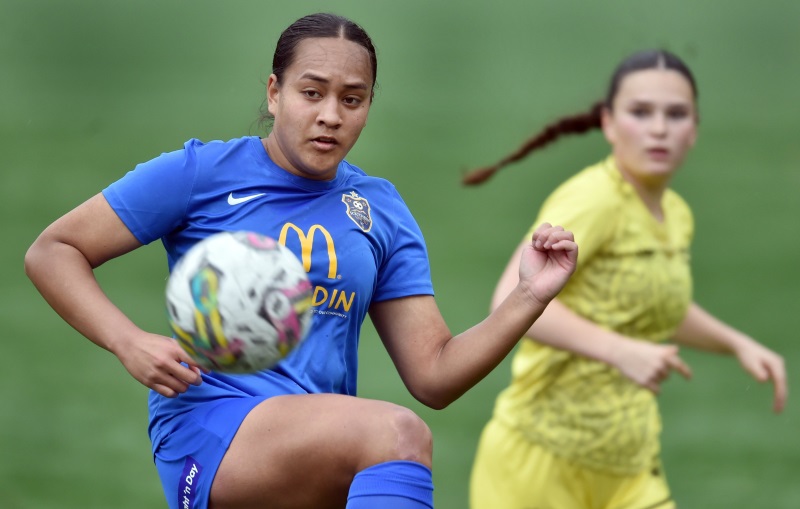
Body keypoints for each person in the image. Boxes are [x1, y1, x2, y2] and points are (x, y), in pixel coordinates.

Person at [24, 12, 578, 509]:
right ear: (274, 93)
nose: (331, 116)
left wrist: (529, 295)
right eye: (312, 93)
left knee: (390, 435)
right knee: (396, 436)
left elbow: (434, 374)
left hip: (319, 445)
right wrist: (127, 340)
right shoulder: (200, 174)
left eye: (352, 99)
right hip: (213, 431)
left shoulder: (378, 209)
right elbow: (54, 251)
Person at [463, 49, 787, 509]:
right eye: (641, 112)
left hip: (629, 468)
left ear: (694, 129)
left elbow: (649, 304)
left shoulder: (676, 213)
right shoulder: (593, 200)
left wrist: (736, 343)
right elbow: (509, 302)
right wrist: (619, 351)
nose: (659, 128)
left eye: (676, 115)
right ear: (609, 123)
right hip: (539, 466)